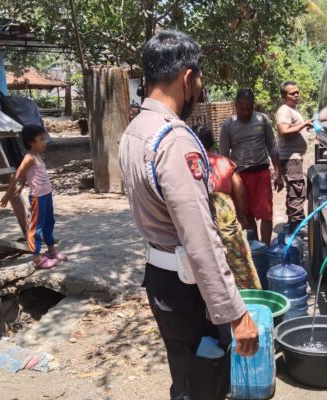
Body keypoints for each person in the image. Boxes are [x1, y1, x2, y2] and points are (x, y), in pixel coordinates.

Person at [118, 30, 259, 400]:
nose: (198, 90)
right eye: (199, 81)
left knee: (185, 374)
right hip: (188, 288)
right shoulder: (174, 141)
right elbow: (200, 239)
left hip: (161, 279)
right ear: (186, 78)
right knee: (205, 383)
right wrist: (235, 312)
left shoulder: (134, 132)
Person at [193, 124, 262, 290]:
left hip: (201, 208)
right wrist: (240, 215)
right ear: (211, 143)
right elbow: (240, 190)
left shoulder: (192, 164)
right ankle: (246, 289)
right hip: (225, 210)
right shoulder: (224, 162)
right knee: (236, 252)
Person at [0, 125, 68, 269]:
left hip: (47, 194)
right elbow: (17, 174)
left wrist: (23, 184)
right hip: (38, 197)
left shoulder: (37, 155)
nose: (45, 142)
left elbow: (26, 174)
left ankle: (51, 251)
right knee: (36, 227)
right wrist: (7, 196)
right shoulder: (29, 157)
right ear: (31, 142)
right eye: (41, 139)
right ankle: (37, 258)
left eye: (45, 139)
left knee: (49, 221)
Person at [219, 88, 281, 244]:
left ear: (253, 105)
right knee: (246, 215)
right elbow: (224, 157)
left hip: (261, 173)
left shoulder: (263, 120)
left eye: (249, 108)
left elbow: (272, 147)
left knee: (266, 214)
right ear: (236, 105)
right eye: (242, 109)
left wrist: (279, 174)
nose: (246, 112)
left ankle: (265, 249)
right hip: (240, 177)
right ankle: (256, 248)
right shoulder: (228, 126)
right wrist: (227, 184)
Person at [276, 81, 313, 228]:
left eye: (297, 92)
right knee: (296, 193)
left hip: (294, 158)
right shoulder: (284, 110)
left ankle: (294, 224)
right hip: (291, 158)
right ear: (284, 96)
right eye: (292, 93)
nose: (297, 95)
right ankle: (296, 228)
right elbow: (283, 132)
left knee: (295, 191)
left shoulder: (293, 109)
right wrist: (304, 124)